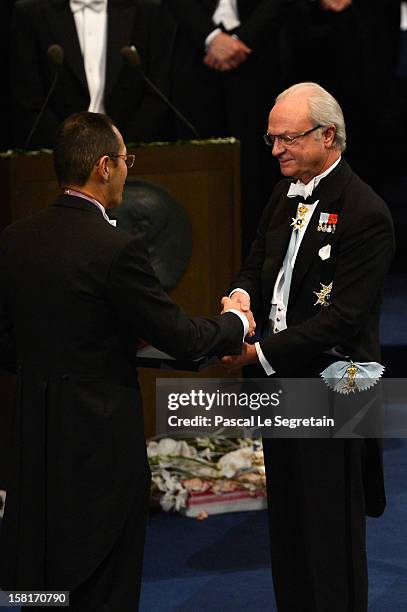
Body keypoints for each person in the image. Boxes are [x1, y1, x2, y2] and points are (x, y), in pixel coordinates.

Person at [0, 111, 254, 611]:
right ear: (103, 168)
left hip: (33, 440)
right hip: (99, 450)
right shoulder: (116, 249)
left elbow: (6, 339)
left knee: (43, 582)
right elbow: (180, 337)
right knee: (104, 583)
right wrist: (236, 323)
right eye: (123, 160)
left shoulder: (15, 239)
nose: (126, 170)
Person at [222, 82, 395, 611]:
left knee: (329, 535)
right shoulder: (283, 192)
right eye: (271, 139)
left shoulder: (367, 212)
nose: (276, 151)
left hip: (336, 386)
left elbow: (342, 321)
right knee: (290, 529)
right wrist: (240, 298)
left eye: (287, 139)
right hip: (280, 384)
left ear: (328, 135)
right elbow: (256, 261)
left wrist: (258, 354)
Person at [163, 0, 294, 254]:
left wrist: (245, 38)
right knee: (196, 164)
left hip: (260, 54)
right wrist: (210, 37)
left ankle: (257, 265)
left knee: (258, 165)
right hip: (193, 53)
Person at [11, 0, 174, 149]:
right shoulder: (32, 13)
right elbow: (29, 98)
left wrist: (121, 152)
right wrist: (68, 152)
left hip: (131, 158)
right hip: (58, 161)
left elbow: (156, 92)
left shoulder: (146, 10)